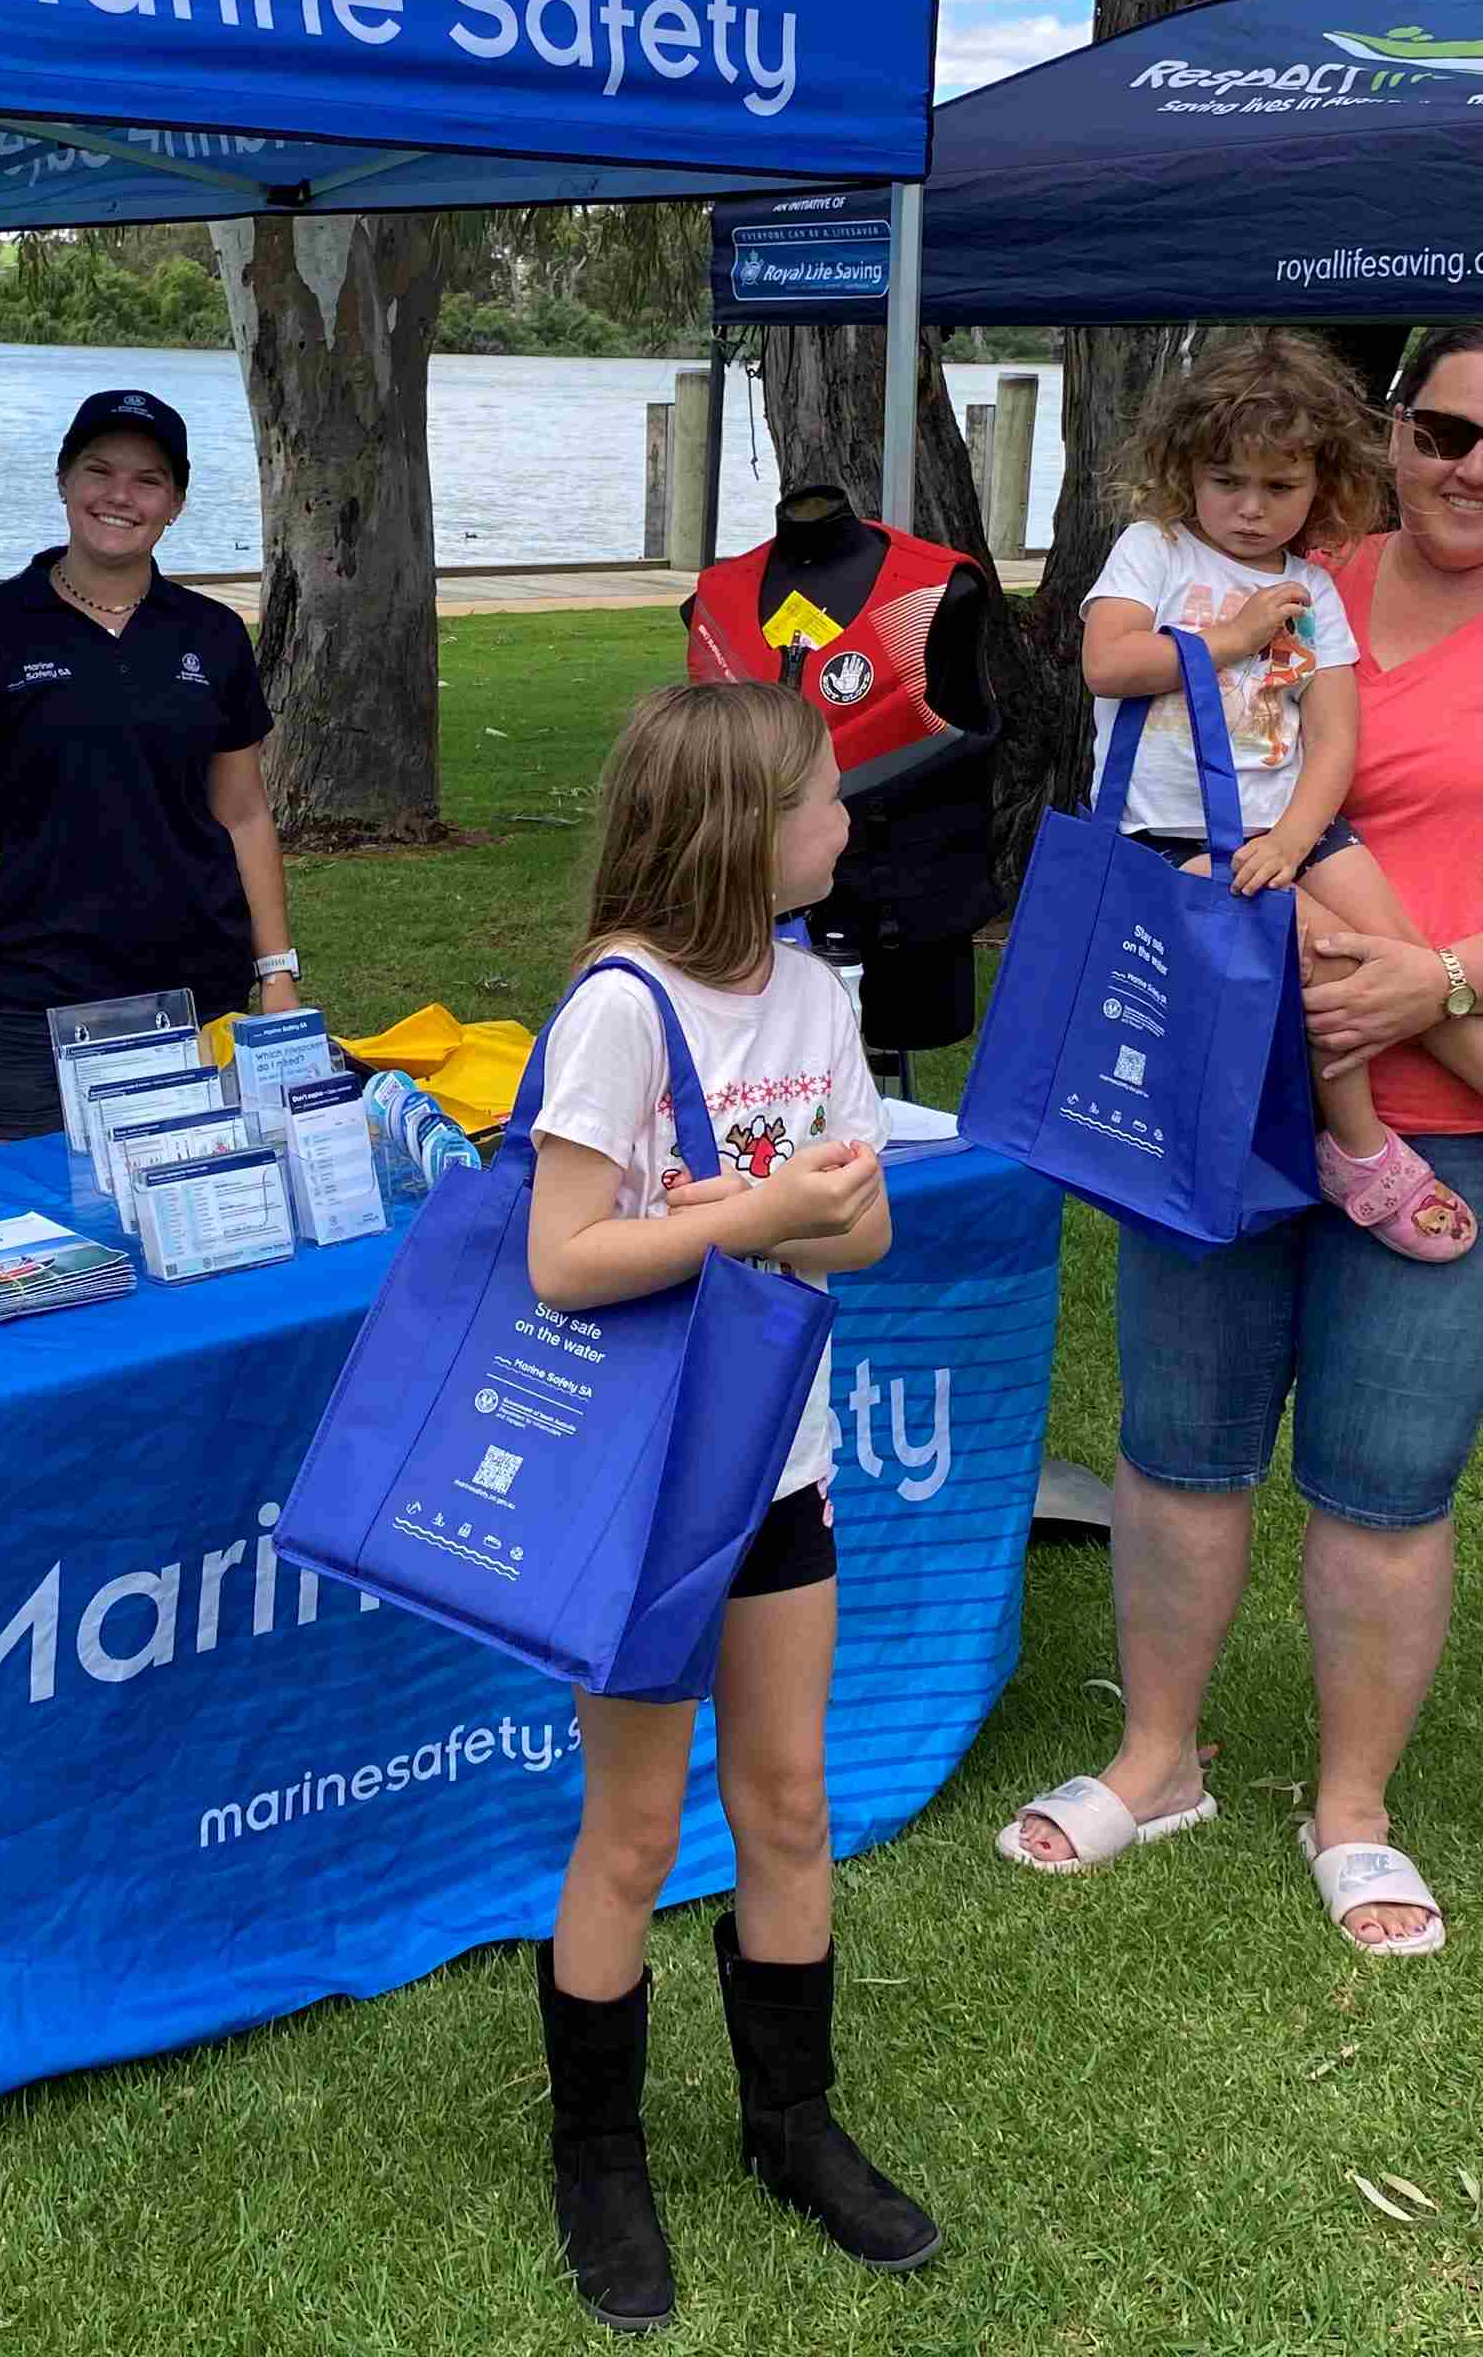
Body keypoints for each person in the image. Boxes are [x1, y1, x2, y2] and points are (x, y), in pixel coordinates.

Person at [999, 323, 1483, 1955]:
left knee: (1384, 1479)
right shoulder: (1282, 557)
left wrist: (1428, 979)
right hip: (1214, 1079)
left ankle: (1353, 1805)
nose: (1471, 465)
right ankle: (1156, 1755)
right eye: (1443, 427)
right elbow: (1149, 718)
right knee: (1177, 1439)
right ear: (1388, 431)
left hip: (1456, 1120)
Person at [524, 681, 935, 2332]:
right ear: (735, 827)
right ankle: (596, 2150)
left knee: (784, 1798)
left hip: (780, 1464)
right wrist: (751, 1212)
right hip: (639, 1487)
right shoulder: (620, 1008)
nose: (847, 820)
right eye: (826, 796)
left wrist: (774, 1217)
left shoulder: (814, 991)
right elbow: (563, 1255)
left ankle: (788, 2117)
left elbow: (869, 1233)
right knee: (630, 1827)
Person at [1079, 337, 1483, 1262]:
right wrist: (1230, 638)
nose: (1252, 508)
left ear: (1322, 485)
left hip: (1289, 826)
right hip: (1175, 834)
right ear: (1185, 471)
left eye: (1281, 487)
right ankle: (1359, 1142)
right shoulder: (1156, 551)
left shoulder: (1312, 589)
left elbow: (1335, 736)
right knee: (1327, 959)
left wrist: (1300, 838)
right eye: (1228, 481)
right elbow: (1109, 664)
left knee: (1405, 953)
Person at [0, 389, 300, 1142]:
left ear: (175, 502)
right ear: (64, 481)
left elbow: (244, 814)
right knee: (3, 1236)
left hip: (197, 993)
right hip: (34, 996)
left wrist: (277, 973)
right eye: (98, 471)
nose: (120, 496)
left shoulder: (211, 636)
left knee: (202, 1221)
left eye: (147, 480)